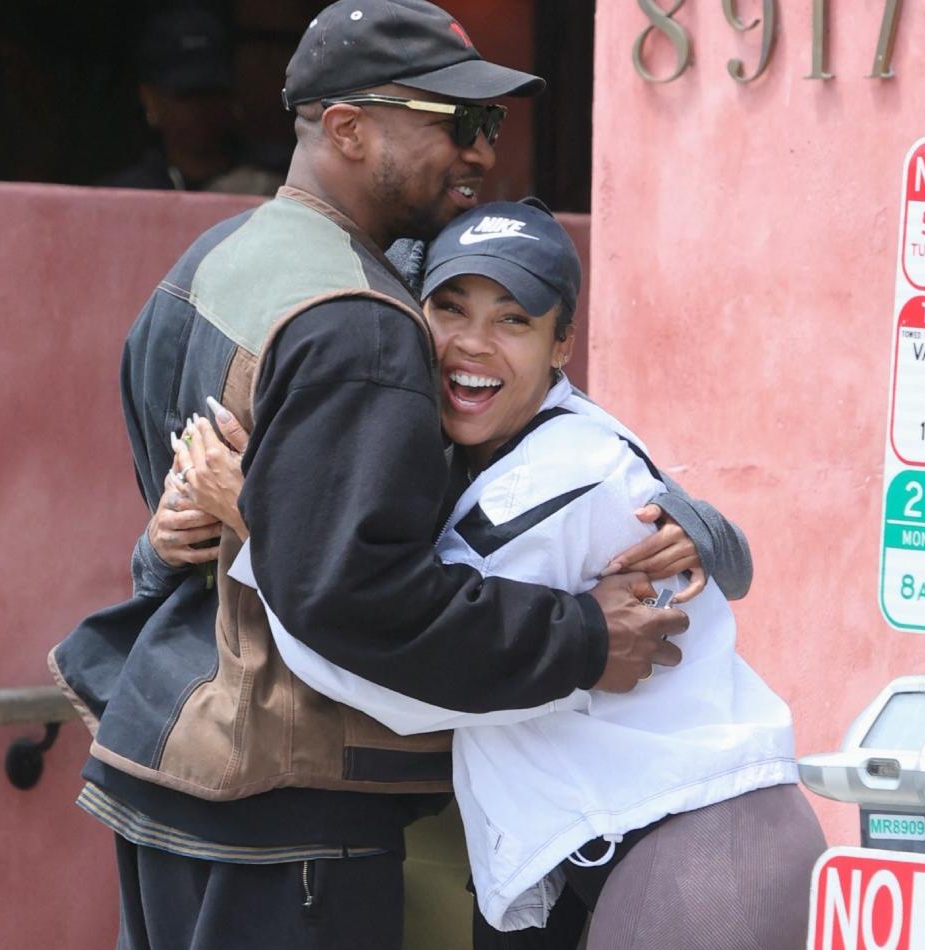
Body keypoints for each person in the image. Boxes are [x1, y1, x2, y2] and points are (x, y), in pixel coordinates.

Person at [51, 0, 745, 950]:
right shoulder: (362, 324)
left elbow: (198, 495)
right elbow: (359, 593)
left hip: (171, 766)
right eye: (456, 123)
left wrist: (686, 520)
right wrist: (584, 637)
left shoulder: (210, 262)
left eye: (489, 122)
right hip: (286, 805)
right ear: (346, 126)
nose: (483, 152)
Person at [188, 200, 826, 948]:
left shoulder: (556, 474)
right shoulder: (480, 450)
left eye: (514, 320)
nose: (472, 345)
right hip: (614, 845)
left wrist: (263, 525)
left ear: (562, 344)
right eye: (450, 309)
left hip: (702, 848)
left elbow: (403, 670)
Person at [98, 7, 283, 194]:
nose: (200, 108)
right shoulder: (127, 193)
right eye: (185, 95)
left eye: (211, 92)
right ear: (150, 99)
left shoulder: (281, 179)